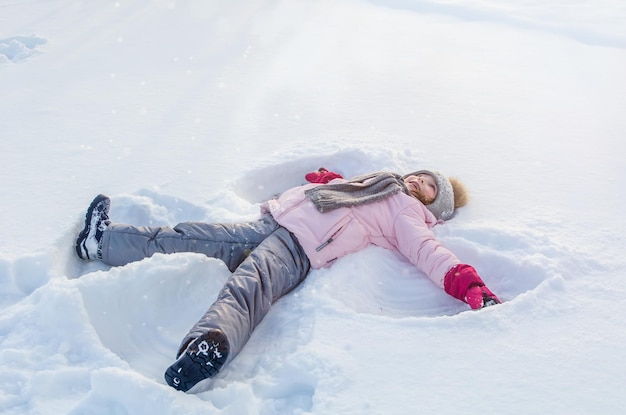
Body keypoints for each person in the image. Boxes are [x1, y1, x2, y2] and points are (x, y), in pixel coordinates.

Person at [75, 168, 500, 393]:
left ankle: (209, 347)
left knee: (247, 287)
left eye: (428, 189)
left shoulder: (404, 212)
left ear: (432, 206)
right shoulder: (376, 182)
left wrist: (467, 284)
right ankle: (103, 243)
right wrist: (325, 180)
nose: (418, 183)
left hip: (298, 247)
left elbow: (430, 252)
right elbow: (336, 193)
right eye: (422, 176)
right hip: (274, 222)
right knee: (190, 234)